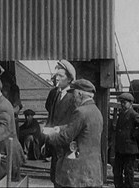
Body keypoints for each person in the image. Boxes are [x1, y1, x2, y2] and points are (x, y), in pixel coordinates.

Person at [42, 79, 103, 187]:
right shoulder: (96, 112)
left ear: (80, 94)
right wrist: (60, 128)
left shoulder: (80, 112)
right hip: (93, 171)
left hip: (78, 173)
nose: (73, 98)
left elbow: (66, 138)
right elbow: (83, 128)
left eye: (73, 94)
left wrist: (49, 136)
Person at [44, 59, 76, 187]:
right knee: (55, 178)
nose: (57, 78)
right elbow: (51, 116)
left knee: (64, 180)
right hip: (55, 144)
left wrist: (59, 130)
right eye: (56, 75)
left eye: (60, 76)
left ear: (69, 79)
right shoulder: (56, 94)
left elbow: (74, 123)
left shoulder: (73, 97)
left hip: (66, 146)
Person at [113, 93, 139, 188]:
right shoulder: (121, 113)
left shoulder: (133, 114)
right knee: (117, 172)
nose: (122, 104)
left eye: (124, 103)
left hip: (129, 149)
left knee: (128, 172)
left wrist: (134, 135)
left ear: (131, 103)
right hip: (120, 149)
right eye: (121, 102)